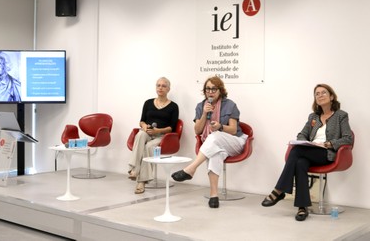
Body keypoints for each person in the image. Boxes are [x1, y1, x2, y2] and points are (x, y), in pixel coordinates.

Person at [261, 84, 353, 221]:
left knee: (297, 151)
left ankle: (279, 190)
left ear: (331, 96)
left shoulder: (341, 116)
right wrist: (307, 142)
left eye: (323, 93)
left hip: (327, 154)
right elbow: (301, 134)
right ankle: (302, 207)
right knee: (300, 162)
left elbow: (348, 138)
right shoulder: (313, 117)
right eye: (317, 94)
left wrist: (330, 143)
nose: (320, 95)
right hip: (309, 152)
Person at [171, 76, 248, 208]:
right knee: (214, 154)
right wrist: (203, 115)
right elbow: (197, 131)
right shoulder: (201, 106)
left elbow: (234, 130)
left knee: (214, 136)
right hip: (215, 144)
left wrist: (220, 127)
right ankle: (214, 196)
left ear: (220, 91)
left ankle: (191, 168)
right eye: (208, 89)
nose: (210, 92)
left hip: (235, 142)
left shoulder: (230, 105)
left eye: (214, 89)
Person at [128, 77, 179, 194]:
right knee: (140, 135)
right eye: (158, 85)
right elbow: (141, 121)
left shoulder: (173, 106)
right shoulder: (148, 102)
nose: (160, 88)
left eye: (163, 86)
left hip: (162, 136)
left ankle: (141, 182)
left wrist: (158, 131)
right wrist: (145, 127)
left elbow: (172, 127)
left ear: (168, 89)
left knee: (149, 147)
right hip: (147, 132)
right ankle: (134, 169)